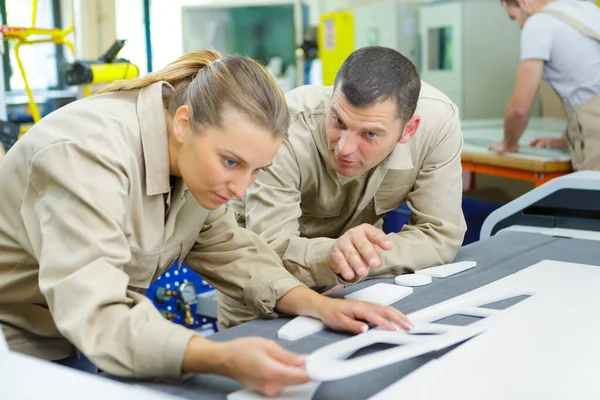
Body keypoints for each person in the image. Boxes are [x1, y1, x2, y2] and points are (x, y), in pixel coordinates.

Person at [0, 50, 411, 396]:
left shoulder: (196, 162)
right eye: (231, 162)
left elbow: (229, 248)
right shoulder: (85, 157)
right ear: (183, 123)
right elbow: (97, 315)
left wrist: (321, 306)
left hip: (78, 338)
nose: (239, 188)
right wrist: (221, 357)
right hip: (17, 344)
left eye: (255, 170)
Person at [231, 46, 466, 327]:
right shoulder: (284, 126)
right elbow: (269, 252)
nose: (345, 148)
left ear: (409, 130)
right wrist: (333, 259)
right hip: (262, 286)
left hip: (364, 284)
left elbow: (441, 235)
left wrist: (355, 263)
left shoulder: (436, 124)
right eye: (338, 121)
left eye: (370, 134)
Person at [490, 0, 600, 171]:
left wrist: (509, 143)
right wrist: (565, 140)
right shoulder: (588, 9)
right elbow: (588, 82)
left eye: (514, 17)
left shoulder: (538, 24)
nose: (520, 26)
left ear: (524, 3)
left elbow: (520, 108)